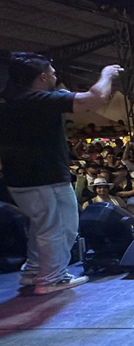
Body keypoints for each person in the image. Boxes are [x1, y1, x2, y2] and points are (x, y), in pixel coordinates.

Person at [0, 53, 120, 294]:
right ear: (42, 77)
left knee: (41, 225)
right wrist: (107, 73)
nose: (56, 77)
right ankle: (52, 278)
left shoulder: (10, 99)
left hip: (18, 178)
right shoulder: (38, 100)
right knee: (60, 227)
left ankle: (34, 271)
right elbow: (94, 99)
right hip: (46, 177)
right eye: (53, 74)